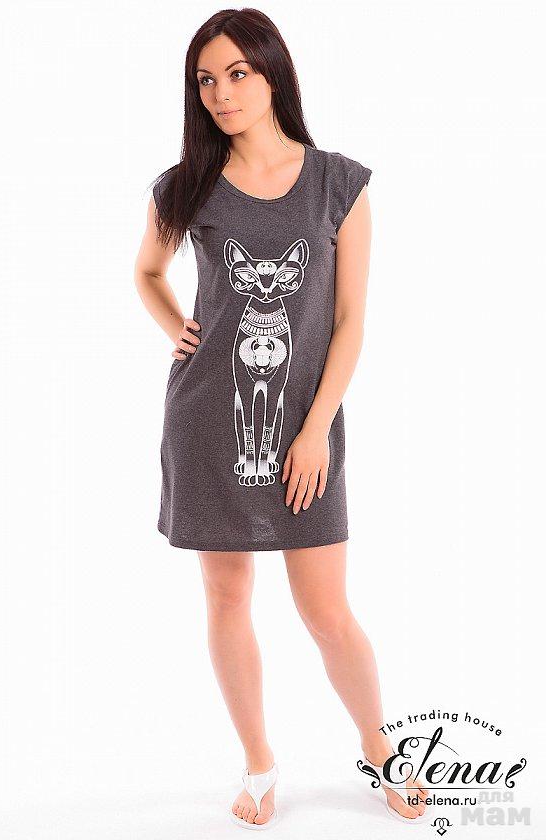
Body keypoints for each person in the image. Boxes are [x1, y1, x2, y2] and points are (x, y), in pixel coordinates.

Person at [134, 7, 429, 830]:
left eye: (237, 73)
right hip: (208, 418)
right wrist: (178, 327)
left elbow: (351, 321)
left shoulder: (338, 182)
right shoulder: (185, 185)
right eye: (205, 79)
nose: (221, 93)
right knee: (226, 596)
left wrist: (315, 430)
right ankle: (260, 762)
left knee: (326, 611)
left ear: (272, 74)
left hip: (307, 425)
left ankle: (381, 746)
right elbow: (148, 271)